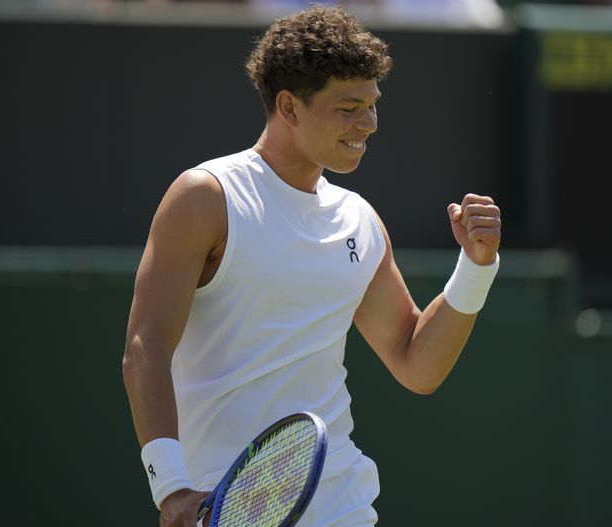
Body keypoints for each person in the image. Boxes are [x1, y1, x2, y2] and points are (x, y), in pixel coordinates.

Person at [122, 5, 501, 526]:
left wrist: (477, 266)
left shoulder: (359, 220)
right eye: (348, 107)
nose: (367, 124)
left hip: (340, 504)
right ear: (289, 107)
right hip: (219, 503)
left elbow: (418, 365)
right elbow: (146, 346)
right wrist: (171, 486)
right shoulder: (205, 197)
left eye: (372, 105)